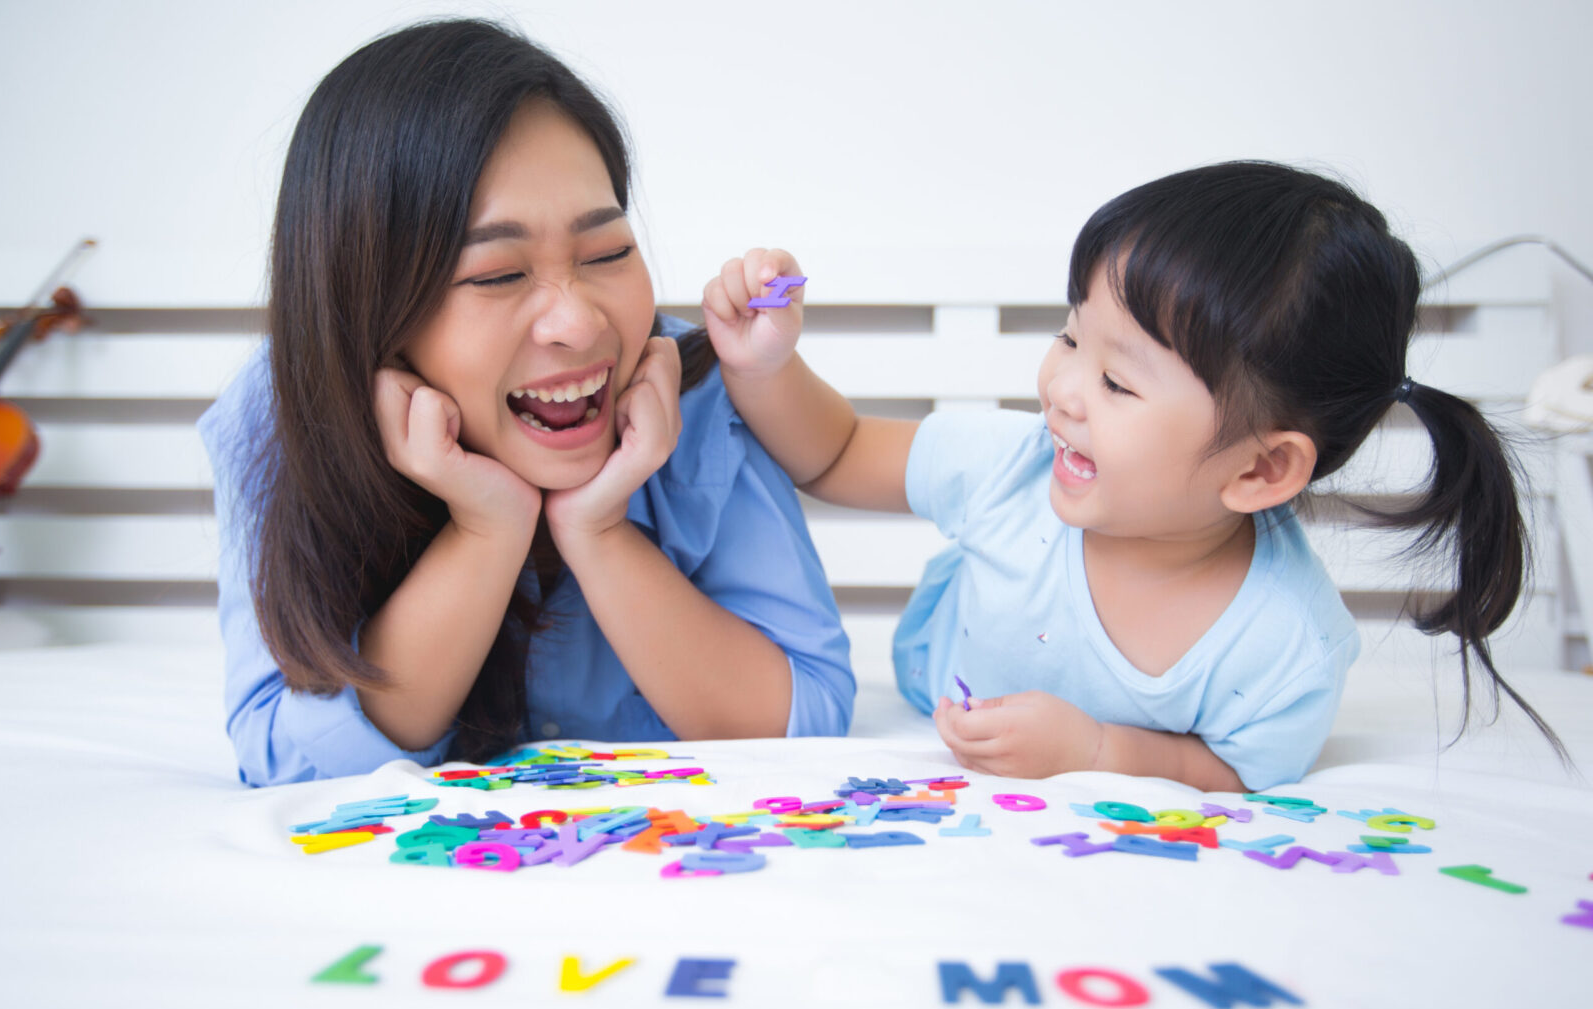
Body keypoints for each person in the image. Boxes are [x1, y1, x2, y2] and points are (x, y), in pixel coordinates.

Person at [706, 161, 1565, 792]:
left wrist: (1096, 752)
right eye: (1072, 337)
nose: (1063, 390)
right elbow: (838, 451)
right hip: (926, 706)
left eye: (1118, 382)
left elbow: (1233, 770)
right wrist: (767, 367)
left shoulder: (1283, 648)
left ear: (1263, 468)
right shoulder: (1013, 469)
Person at [199, 19, 853, 786]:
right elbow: (283, 760)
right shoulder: (285, 413)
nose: (580, 325)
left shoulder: (697, 389)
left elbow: (806, 715)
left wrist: (598, 531)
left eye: (608, 253)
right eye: (496, 274)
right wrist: (486, 531)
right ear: (371, 310)